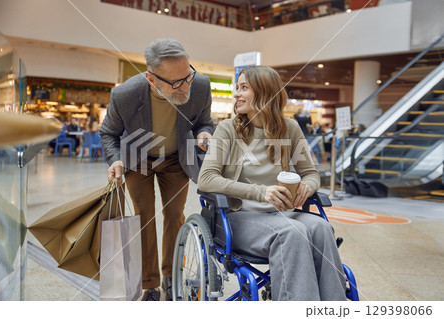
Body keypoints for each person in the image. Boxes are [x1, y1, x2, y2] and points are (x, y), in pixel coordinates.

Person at [198, 66, 346, 301]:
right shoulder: (228, 129)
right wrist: (260, 192)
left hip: (281, 214)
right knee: (292, 232)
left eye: (243, 87)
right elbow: (206, 179)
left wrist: (308, 186)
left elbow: (311, 173)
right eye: (237, 87)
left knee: (321, 228)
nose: (236, 94)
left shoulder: (290, 128)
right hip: (239, 216)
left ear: (265, 93)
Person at [100, 38, 214, 301]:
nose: (186, 85)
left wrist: (205, 134)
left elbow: (204, 122)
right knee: (144, 217)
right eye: (177, 83)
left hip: (176, 157)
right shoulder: (125, 94)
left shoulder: (200, 85)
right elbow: (109, 133)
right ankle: (149, 283)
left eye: (188, 75)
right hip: (138, 158)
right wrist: (115, 160)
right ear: (152, 79)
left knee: (175, 215)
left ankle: (171, 275)